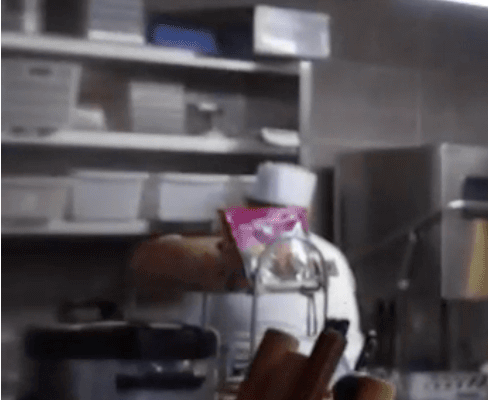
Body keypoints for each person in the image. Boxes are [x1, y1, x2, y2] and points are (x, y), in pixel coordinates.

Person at [131, 161, 363, 381]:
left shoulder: (228, 257)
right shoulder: (332, 255)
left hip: (246, 381)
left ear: (249, 207)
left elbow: (191, 329)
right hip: (322, 382)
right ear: (307, 213)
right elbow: (350, 341)